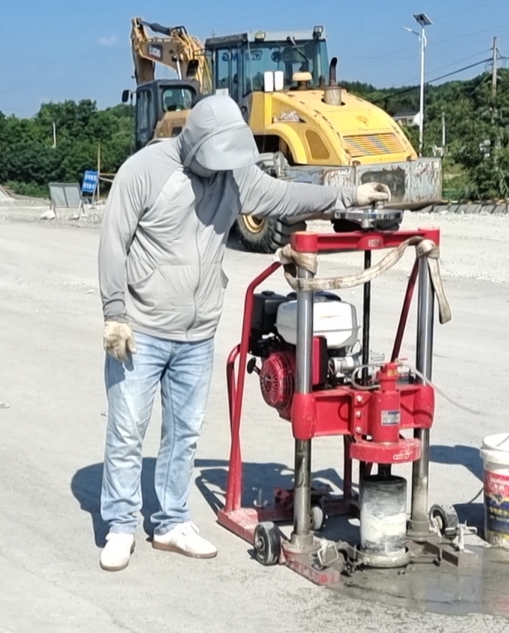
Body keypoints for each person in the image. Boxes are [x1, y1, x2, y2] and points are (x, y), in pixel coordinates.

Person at [96, 93, 389, 572]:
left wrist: (348, 195)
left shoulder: (234, 175)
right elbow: (114, 241)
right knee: (127, 432)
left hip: (197, 332)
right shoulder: (144, 171)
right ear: (195, 144)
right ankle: (121, 525)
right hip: (143, 330)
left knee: (184, 434)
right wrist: (114, 313)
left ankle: (170, 522)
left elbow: (285, 195)